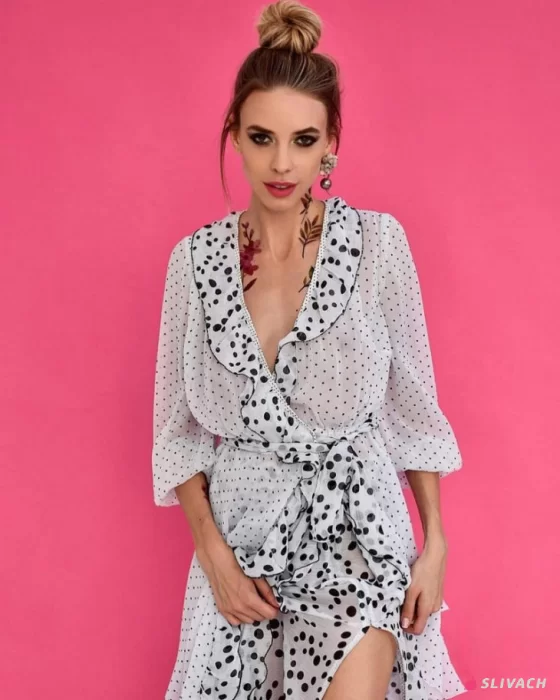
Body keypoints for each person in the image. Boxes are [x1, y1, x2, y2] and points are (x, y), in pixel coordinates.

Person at [151, 1, 465, 698]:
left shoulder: (378, 245)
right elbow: (177, 434)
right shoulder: (193, 263)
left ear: (331, 143)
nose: (281, 163)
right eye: (262, 137)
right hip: (242, 546)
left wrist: (435, 543)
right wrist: (213, 556)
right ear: (234, 134)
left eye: (303, 139)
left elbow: (413, 410)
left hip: (358, 533)